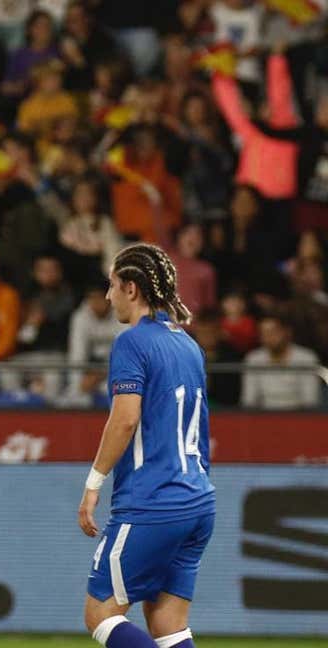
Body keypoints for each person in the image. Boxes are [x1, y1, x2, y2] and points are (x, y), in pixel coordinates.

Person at [79, 243, 215, 648]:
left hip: (153, 502)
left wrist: (92, 484)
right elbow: (202, 432)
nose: (108, 295)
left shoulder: (132, 342)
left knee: (100, 614)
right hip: (197, 501)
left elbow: (124, 419)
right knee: (168, 625)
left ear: (132, 289)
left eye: (113, 285)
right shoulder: (189, 345)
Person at [241, 314, 321, 410]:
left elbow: (310, 400)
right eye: (263, 333)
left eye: (273, 331)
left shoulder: (306, 357)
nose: (268, 337)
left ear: (287, 332)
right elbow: (249, 400)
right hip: (263, 417)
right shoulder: (253, 359)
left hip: (299, 416)